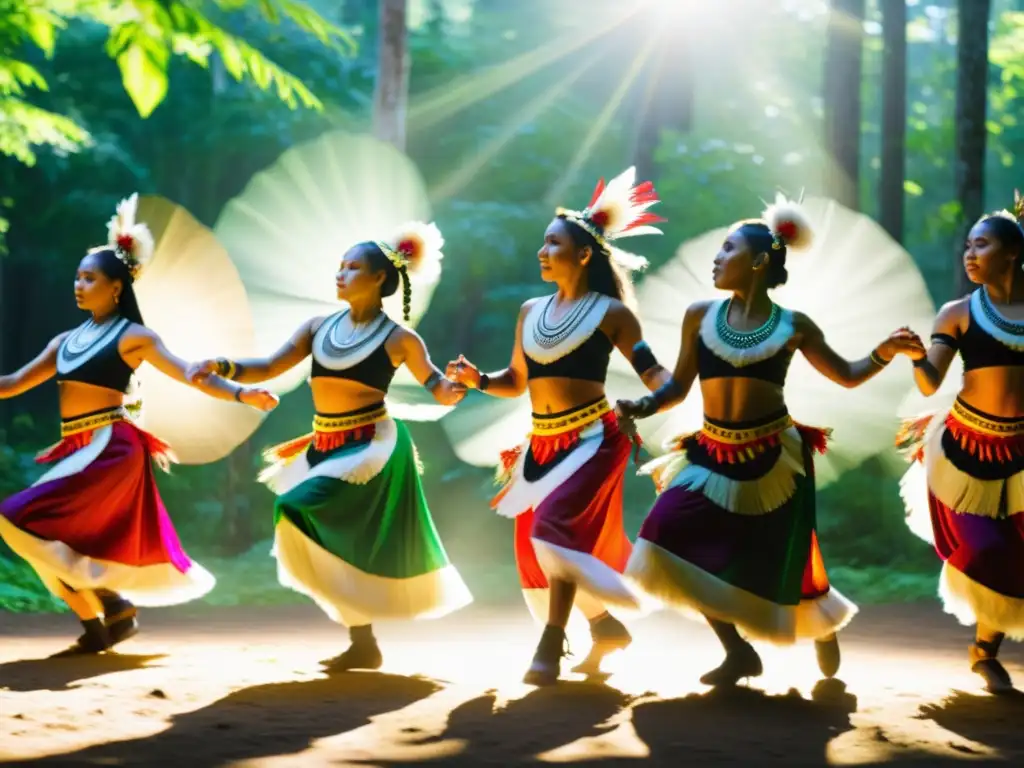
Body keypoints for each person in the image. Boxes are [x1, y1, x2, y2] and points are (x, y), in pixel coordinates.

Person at [616, 194, 923, 686]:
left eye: (728, 248)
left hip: (775, 459)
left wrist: (885, 352)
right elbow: (676, 387)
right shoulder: (699, 315)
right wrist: (642, 405)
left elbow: (845, 375)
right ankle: (737, 652)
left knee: (787, 558)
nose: (716, 258)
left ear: (759, 261)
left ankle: (820, 621)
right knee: (664, 535)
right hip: (710, 454)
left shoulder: (793, 325)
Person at [188, 222, 473, 672]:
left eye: (353, 267)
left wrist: (457, 387)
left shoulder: (400, 338)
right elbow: (267, 366)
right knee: (309, 524)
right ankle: (362, 640)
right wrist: (221, 365)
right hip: (323, 442)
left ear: (380, 278)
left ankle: (363, 620)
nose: (340, 274)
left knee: (297, 506)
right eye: (339, 266)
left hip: (371, 444)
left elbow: (436, 385)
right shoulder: (318, 327)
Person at [0, 194, 278, 655]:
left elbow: (190, 373)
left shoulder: (135, 337)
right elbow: (10, 384)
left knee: (18, 517)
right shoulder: (64, 341)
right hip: (75, 446)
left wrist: (241, 393)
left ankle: (112, 598)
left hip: (112, 446)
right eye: (77, 276)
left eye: (90, 277)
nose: (79, 283)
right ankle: (101, 623)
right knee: (41, 532)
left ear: (116, 288)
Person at [446, 167, 673, 685]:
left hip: (595, 441)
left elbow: (651, 371)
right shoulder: (531, 311)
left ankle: (551, 643)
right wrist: (478, 379)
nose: (542, 252)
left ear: (584, 254)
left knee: (555, 533)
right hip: (541, 445)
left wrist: (668, 388)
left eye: (552, 243)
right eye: (543, 244)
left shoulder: (613, 313)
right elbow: (516, 380)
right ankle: (605, 626)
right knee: (533, 545)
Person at [897, 192, 1024, 693]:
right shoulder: (957, 313)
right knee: (986, 549)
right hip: (964, 452)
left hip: (1021, 453)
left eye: (982, 244)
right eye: (967, 245)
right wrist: (912, 354)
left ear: (1013, 252)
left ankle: (984, 652)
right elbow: (930, 382)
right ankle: (983, 648)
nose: (970, 254)